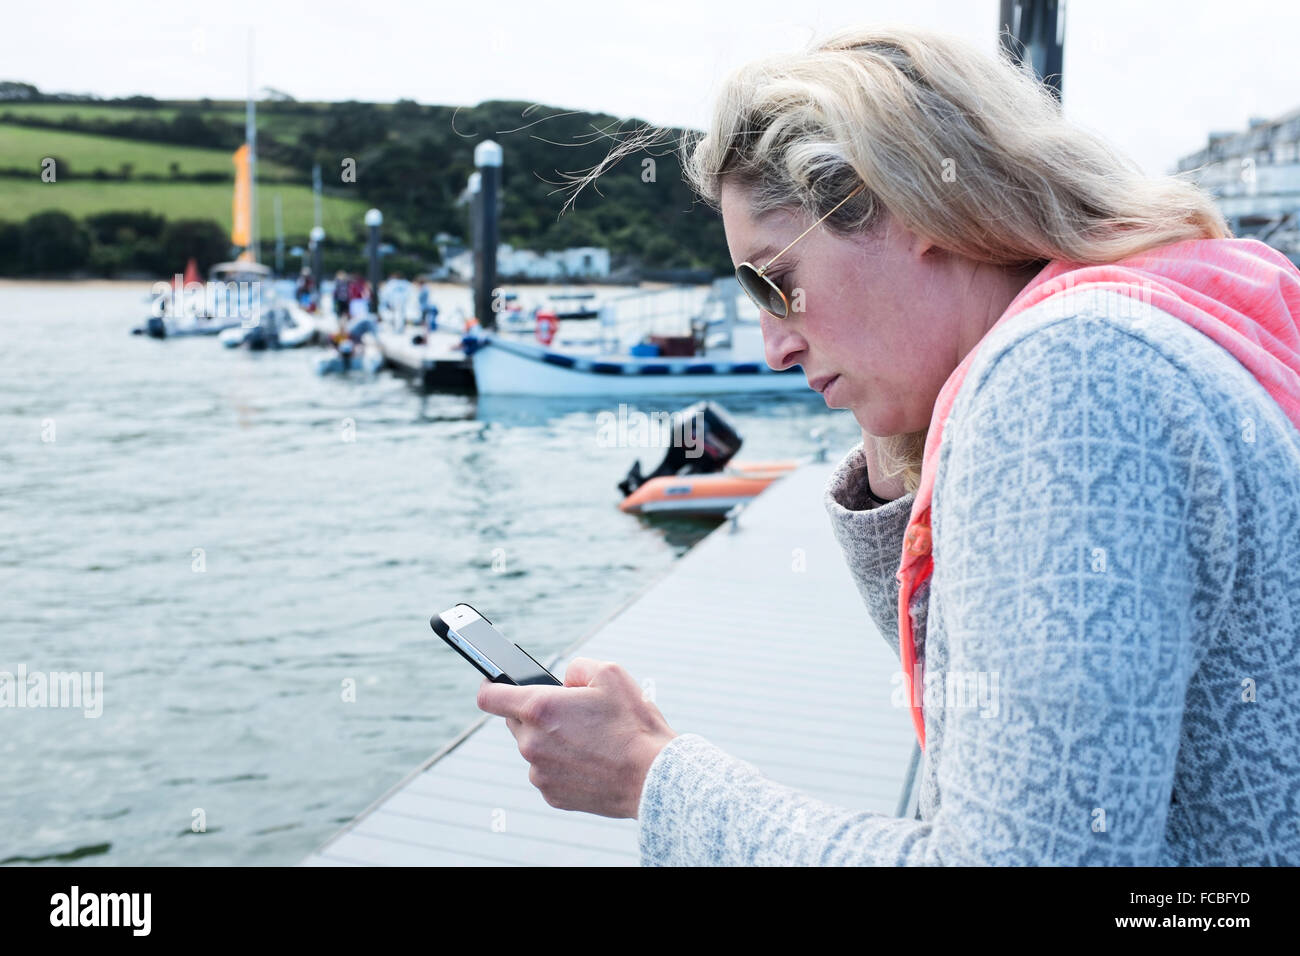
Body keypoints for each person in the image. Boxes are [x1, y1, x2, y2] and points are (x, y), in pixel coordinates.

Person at [474, 24, 1300, 865]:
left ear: (912, 205)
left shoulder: (1069, 377)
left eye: (775, 283)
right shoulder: (1161, 318)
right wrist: (895, 440)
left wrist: (652, 781)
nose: (773, 346)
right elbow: (999, 732)